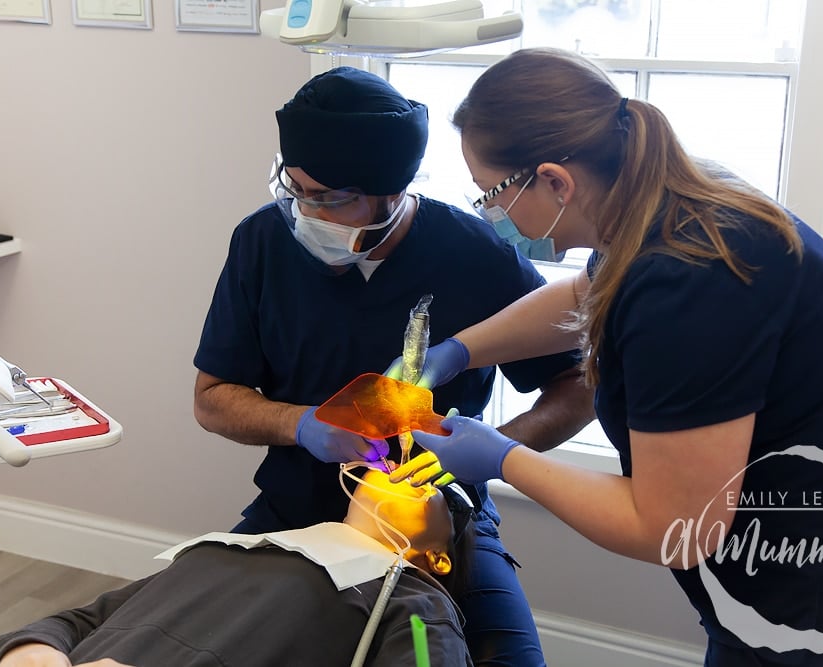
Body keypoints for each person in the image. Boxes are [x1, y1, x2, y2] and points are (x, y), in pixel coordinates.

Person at [389, 47, 823, 666]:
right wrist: (460, 351)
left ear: (555, 181)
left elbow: (676, 527)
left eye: (493, 194)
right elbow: (588, 290)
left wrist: (502, 458)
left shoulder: (691, 282)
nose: (492, 212)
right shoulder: (662, 198)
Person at [191, 66, 595, 666]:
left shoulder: (476, 254)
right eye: (296, 189)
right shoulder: (261, 242)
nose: (308, 212)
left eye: (333, 198)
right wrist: (302, 424)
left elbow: (575, 386)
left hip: (437, 515)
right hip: (295, 510)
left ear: (394, 189)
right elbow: (212, 397)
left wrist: (497, 449)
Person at [0, 467, 477, 667]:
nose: (407, 466)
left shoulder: (414, 599)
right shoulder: (229, 548)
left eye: (434, 482)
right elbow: (73, 624)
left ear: (438, 556)